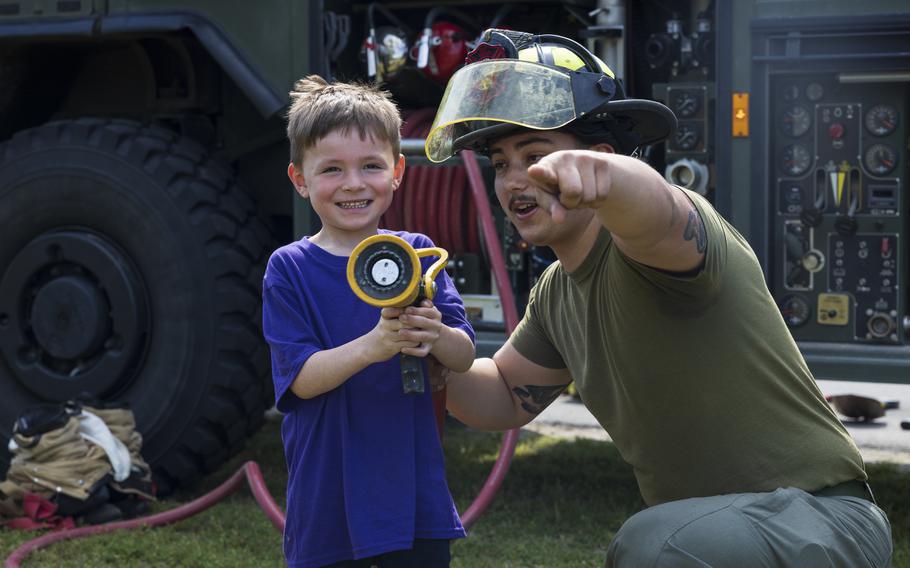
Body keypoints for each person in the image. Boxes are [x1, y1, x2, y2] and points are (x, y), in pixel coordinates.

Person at [424, 29, 893, 567]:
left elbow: (657, 211)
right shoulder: (556, 293)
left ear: (600, 156)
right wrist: (434, 349)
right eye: (501, 163)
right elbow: (504, 395)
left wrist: (606, 176)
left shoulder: (653, 241)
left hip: (822, 518)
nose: (514, 180)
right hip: (722, 532)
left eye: (535, 153)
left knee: (650, 547)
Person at [263, 75, 475, 568]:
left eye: (371, 166)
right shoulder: (289, 268)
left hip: (413, 493)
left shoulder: (420, 253)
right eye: (332, 169)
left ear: (398, 171)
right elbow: (300, 379)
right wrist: (376, 345)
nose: (354, 184)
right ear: (300, 180)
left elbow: (463, 354)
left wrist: (436, 335)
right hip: (328, 495)